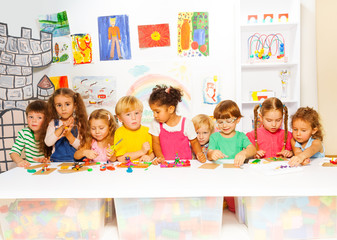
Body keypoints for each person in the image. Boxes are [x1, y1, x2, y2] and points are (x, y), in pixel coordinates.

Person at [149, 85, 206, 164]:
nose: (154, 115)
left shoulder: (186, 123)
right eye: (153, 112)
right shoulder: (155, 123)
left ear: (171, 109)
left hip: (185, 164)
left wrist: (199, 154)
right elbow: (156, 143)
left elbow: (194, 142)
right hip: (166, 164)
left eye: (157, 112)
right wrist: (160, 156)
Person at [207, 100, 256, 166]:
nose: (224, 125)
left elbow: (252, 149)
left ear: (238, 119)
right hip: (219, 169)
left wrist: (244, 153)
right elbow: (209, 154)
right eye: (220, 122)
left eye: (229, 121)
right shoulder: (214, 137)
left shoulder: (241, 136)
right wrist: (212, 154)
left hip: (236, 168)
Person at [44, 88, 88, 162]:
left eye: (67, 104)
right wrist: (62, 127)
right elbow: (48, 143)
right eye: (59, 105)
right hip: (57, 162)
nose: (63, 108)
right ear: (54, 107)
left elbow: (81, 147)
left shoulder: (79, 123)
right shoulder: (53, 123)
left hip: (76, 161)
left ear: (75, 105)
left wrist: (69, 135)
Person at [114, 96, 154, 162]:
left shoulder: (147, 131)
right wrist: (141, 152)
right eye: (128, 114)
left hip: (144, 168)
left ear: (141, 114)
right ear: (120, 118)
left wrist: (149, 157)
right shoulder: (119, 132)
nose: (133, 117)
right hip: (126, 169)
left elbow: (153, 152)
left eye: (136, 113)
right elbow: (120, 158)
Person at [10, 100, 49, 167]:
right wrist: (20, 161)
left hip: (46, 167)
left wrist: (47, 159)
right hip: (30, 168)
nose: (34, 120)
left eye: (39, 117)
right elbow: (13, 153)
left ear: (47, 120)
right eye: (31, 117)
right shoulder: (24, 133)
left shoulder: (49, 133)